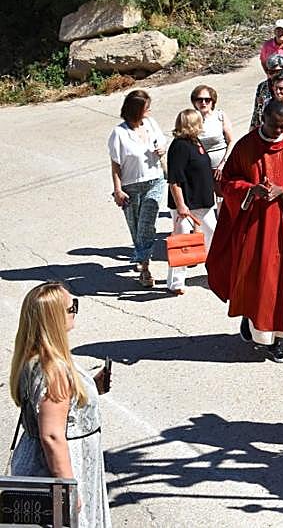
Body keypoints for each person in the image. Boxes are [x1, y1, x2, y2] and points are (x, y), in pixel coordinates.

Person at [206, 101, 283, 363]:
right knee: (255, 278)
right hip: (254, 225)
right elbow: (227, 182)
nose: (280, 130)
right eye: (275, 125)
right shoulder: (246, 147)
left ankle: (275, 339)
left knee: (282, 282)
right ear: (263, 118)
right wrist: (250, 190)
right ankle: (253, 320)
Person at [9, 282, 112, 528]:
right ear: (55, 318)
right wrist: (66, 487)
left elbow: (54, 408)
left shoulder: (34, 357)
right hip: (61, 467)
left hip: (36, 460)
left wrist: (90, 388)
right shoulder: (53, 369)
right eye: (71, 307)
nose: (74, 311)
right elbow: (53, 435)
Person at [108, 89, 166, 288]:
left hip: (155, 180)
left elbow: (162, 141)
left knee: (146, 225)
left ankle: (145, 266)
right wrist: (117, 190)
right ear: (135, 110)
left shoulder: (150, 124)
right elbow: (115, 164)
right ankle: (141, 258)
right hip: (130, 186)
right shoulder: (119, 133)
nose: (149, 110)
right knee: (136, 228)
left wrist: (162, 149)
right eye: (145, 107)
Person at [166, 109, 217, 295]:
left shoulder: (195, 142)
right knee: (182, 242)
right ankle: (175, 282)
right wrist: (181, 206)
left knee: (212, 233)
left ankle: (215, 272)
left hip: (203, 203)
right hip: (187, 205)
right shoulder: (179, 146)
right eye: (198, 121)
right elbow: (174, 179)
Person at [190, 84, 233, 180]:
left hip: (223, 167)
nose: (203, 103)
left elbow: (231, 142)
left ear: (213, 101)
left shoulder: (220, 116)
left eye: (207, 100)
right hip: (202, 170)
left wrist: (223, 164)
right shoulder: (191, 120)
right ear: (194, 102)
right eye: (199, 100)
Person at [249, 57, 283, 130]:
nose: (274, 75)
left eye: (277, 71)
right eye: (270, 72)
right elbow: (257, 110)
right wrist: (253, 128)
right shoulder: (262, 87)